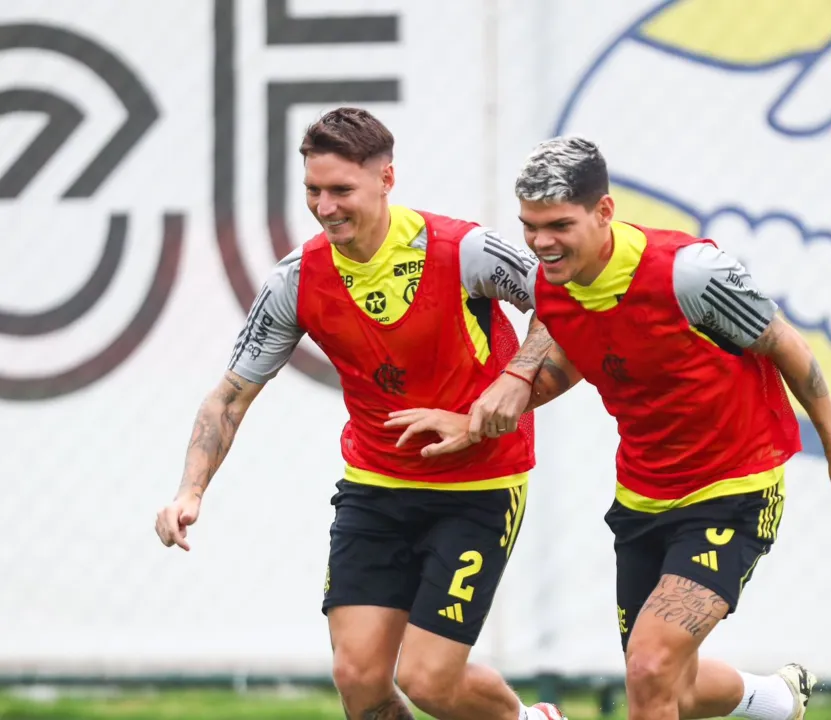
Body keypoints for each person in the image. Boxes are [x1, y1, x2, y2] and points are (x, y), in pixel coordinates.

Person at [392, 136, 831, 720]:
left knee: (650, 668)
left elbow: (789, 347)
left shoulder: (690, 273)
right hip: (642, 496)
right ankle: (773, 700)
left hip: (733, 489)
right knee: (671, 683)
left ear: (603, 212)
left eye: (559, 225)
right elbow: (571, 360)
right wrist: (477, 419)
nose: (541, 243)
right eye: (529, 225)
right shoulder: (556, 284)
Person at [153, 107, 567, 720]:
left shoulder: (465, 250)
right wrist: (190, 490)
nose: (324, 207)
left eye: (341, 190)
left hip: (478, 487)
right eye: (313, 191)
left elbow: (564, 302)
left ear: (386, 179)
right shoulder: (296, 279)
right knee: (358, 678)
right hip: (376, 486)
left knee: (427, 680)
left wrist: (511, 383)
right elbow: (230, 395)